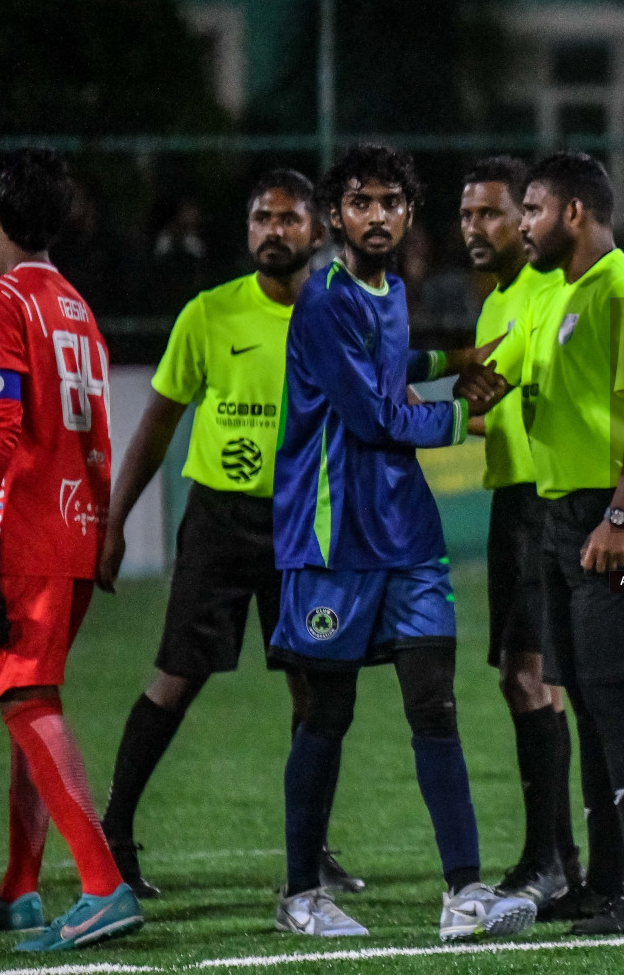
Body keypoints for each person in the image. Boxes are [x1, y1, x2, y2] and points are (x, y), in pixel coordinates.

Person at [266, 143, 534, 940]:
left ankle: (464, 897)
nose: (376, 215)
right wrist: (465, 411)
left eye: (390, 202)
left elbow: (386, 365)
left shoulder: (386, 291)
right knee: (328, 715)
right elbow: (376, 416)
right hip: (333, 541)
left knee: (436, 706)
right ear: (334, 216)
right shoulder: (322, 299)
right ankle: (300, 895)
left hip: (408, 537)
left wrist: (443, 359)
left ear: (409, 215)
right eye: (359, 202)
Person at [94, 169, 363, 900]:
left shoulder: (342, 318)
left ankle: (311, 852)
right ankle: (113, 837)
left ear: (316, 231)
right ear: (248, 232)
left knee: (314, 691)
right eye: (260, 218)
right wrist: (115, 523)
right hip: (220, 521)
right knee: (177, 677)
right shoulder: (208, 314)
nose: (273, 229)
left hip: (305, 526)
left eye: (288, 217)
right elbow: (155, 428)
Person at [486, 151, 624, 933]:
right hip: (561, 519)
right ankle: (604, 883)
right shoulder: (564, 293)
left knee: (619, 701)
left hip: (610, 517)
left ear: (573, 213)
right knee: (591, 708)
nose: (520, 224)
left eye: (530, 208)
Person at [0, 148, 144, 951]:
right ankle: (18, 890)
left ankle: (102, 885)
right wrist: (105, 528)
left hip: (25, 535)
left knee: (25, 701)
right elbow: (99, 432)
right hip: (77, 529)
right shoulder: (78, 307)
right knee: (32, 703)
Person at [457, 156, 581, 913]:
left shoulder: (546, 291)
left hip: (546, 501)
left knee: (536, 679)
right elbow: (496, 407)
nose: (478, 227)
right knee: (519, 680)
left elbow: (544, 394)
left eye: (494, 213)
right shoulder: (496, 302)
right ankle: (558, 856)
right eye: (468, 215)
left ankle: (552, 860)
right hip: (513, 502)